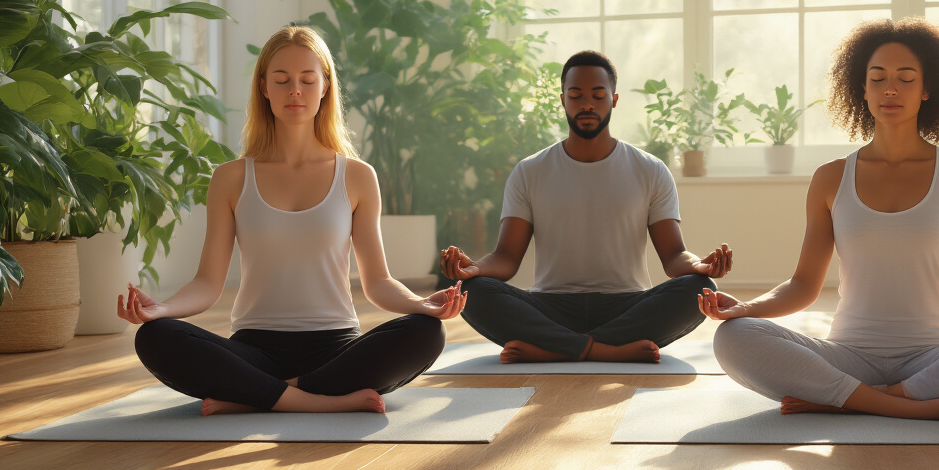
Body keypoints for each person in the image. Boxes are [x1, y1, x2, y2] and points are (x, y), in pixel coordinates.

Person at [702, 18, 939, 421]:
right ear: (862, 89)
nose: (890, 89)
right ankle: (903, 405)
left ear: (928, 89)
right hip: (847, 356)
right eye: (877, 78)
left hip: (934, 359)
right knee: (733, 337)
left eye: (906, 79)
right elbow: (804, 285)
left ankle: (849, 400)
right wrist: (745, 309)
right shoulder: (831, 176)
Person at [120, 26, 465, 416]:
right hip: (254, 349)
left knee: (426, 332)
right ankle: (317, 401)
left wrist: (421, 304)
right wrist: (160, 310)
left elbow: (378, 282)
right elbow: (207, 283)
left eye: (307, 80)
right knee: (155, 337)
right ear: (264, 88)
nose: (294, 90)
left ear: (325, 87)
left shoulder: (357, 176)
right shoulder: (231, 178)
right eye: (281, 80)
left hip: (336, 350)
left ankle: (258, 396)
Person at [439, 49, 733, 364]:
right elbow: (507, 258)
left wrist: (699, 266)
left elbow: (674, 257)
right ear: (563, 99)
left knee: (698, 290)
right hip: (550, 307)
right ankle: (603, 350)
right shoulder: (530, 171)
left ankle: (556, 348)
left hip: (627, 306)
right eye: (576, 95)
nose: (587, 104)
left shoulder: (650, 169)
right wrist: (472, 270)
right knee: (473, 290)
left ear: (614, 100)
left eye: (598, 95)